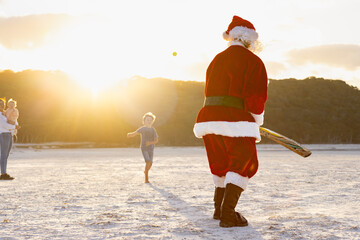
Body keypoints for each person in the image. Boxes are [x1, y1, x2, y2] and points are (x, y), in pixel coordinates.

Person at [193, 16, 268, 227]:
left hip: (208, 118)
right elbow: (256, 97)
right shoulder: (254, 61)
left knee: (221, 164)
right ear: (249, 39)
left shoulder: (216, 59)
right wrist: (256, 120)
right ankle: (228, 214)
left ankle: (218, 210)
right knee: (242, 163)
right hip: (237, 120)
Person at [127, 112, 158, 183]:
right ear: (144, 121)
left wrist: (150, 143)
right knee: (147, 161)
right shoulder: (142, 129)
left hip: (151, 148)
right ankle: (146, 179)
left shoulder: (153, 130)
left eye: (150, 120)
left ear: (152, 121)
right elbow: (135, 133)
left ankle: (145, 171)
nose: (149, 121)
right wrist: (130, 134)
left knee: (151, 163)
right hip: (144, 148)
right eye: (147, 120)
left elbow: (156, 140)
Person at [0, 98, 20, 180]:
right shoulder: (0, 115)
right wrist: (14, 126)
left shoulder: (5, 113)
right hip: (4, 134)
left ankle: (3, 172)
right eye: (0, 104)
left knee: (6, 155)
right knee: (4, 155)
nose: (2, 105)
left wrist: (15, 125)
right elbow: (5, 125)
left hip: (9, 134)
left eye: (3, 104)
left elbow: (14, 120)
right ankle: (3, 173)